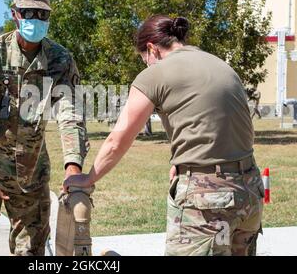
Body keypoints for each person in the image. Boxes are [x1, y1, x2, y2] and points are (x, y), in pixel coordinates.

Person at [64, 15, 265, 256]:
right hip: (250, 192)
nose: (145, 66)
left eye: (143, 60)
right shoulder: (220, 64)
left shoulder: (155, 74)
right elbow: (231, 126)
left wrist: (88, 179)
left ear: (151, 49)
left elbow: (118, 140)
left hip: (208, 202)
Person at [0, 0, 90, 256]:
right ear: (15, 14)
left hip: (31, 177)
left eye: (42, 15)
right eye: (28, 13)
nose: (35, 20)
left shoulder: (60, 60)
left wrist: (73, 166)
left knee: (31, 253)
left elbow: (71, 115)